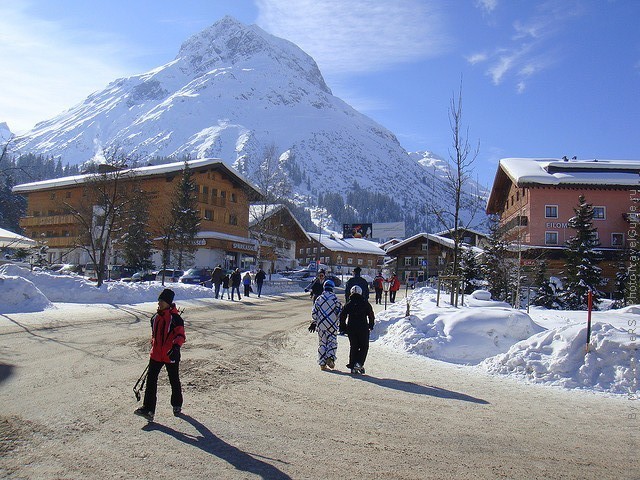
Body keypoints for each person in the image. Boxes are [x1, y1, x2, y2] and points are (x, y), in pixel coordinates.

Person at [134, 288, 186, 421]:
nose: (159, 303)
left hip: (170, 355)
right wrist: (154, 345)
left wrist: (175, 347)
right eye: (159, 300)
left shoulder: (176, 319)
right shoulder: (155, 318)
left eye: (162, 301)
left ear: (169, 302)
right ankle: (148, 409)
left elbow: (181, 335)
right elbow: (154, 335)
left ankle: (177, 404)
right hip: (156, 355)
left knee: (174, 380)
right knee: (151, 381)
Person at [340, 285, 375, 374]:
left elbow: (342, 316)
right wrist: (371, 325)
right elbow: (371, 315)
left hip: (351, 328)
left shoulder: (348, 304)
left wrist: (343, 327)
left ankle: (352, 365)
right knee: (364, 346)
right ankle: (359, 363)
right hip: (363, 328)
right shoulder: (365, 303)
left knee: (354, 346)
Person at [309, 280, 342, 370]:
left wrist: (314, 322)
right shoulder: (335, 299)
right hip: (332, 325)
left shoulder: (319, 299)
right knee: (332, 342)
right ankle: (330, 357)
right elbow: (340, 312)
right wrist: (340, 322)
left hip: (321, 325)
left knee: (322, 343)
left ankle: (322, 363)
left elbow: (314, 312)